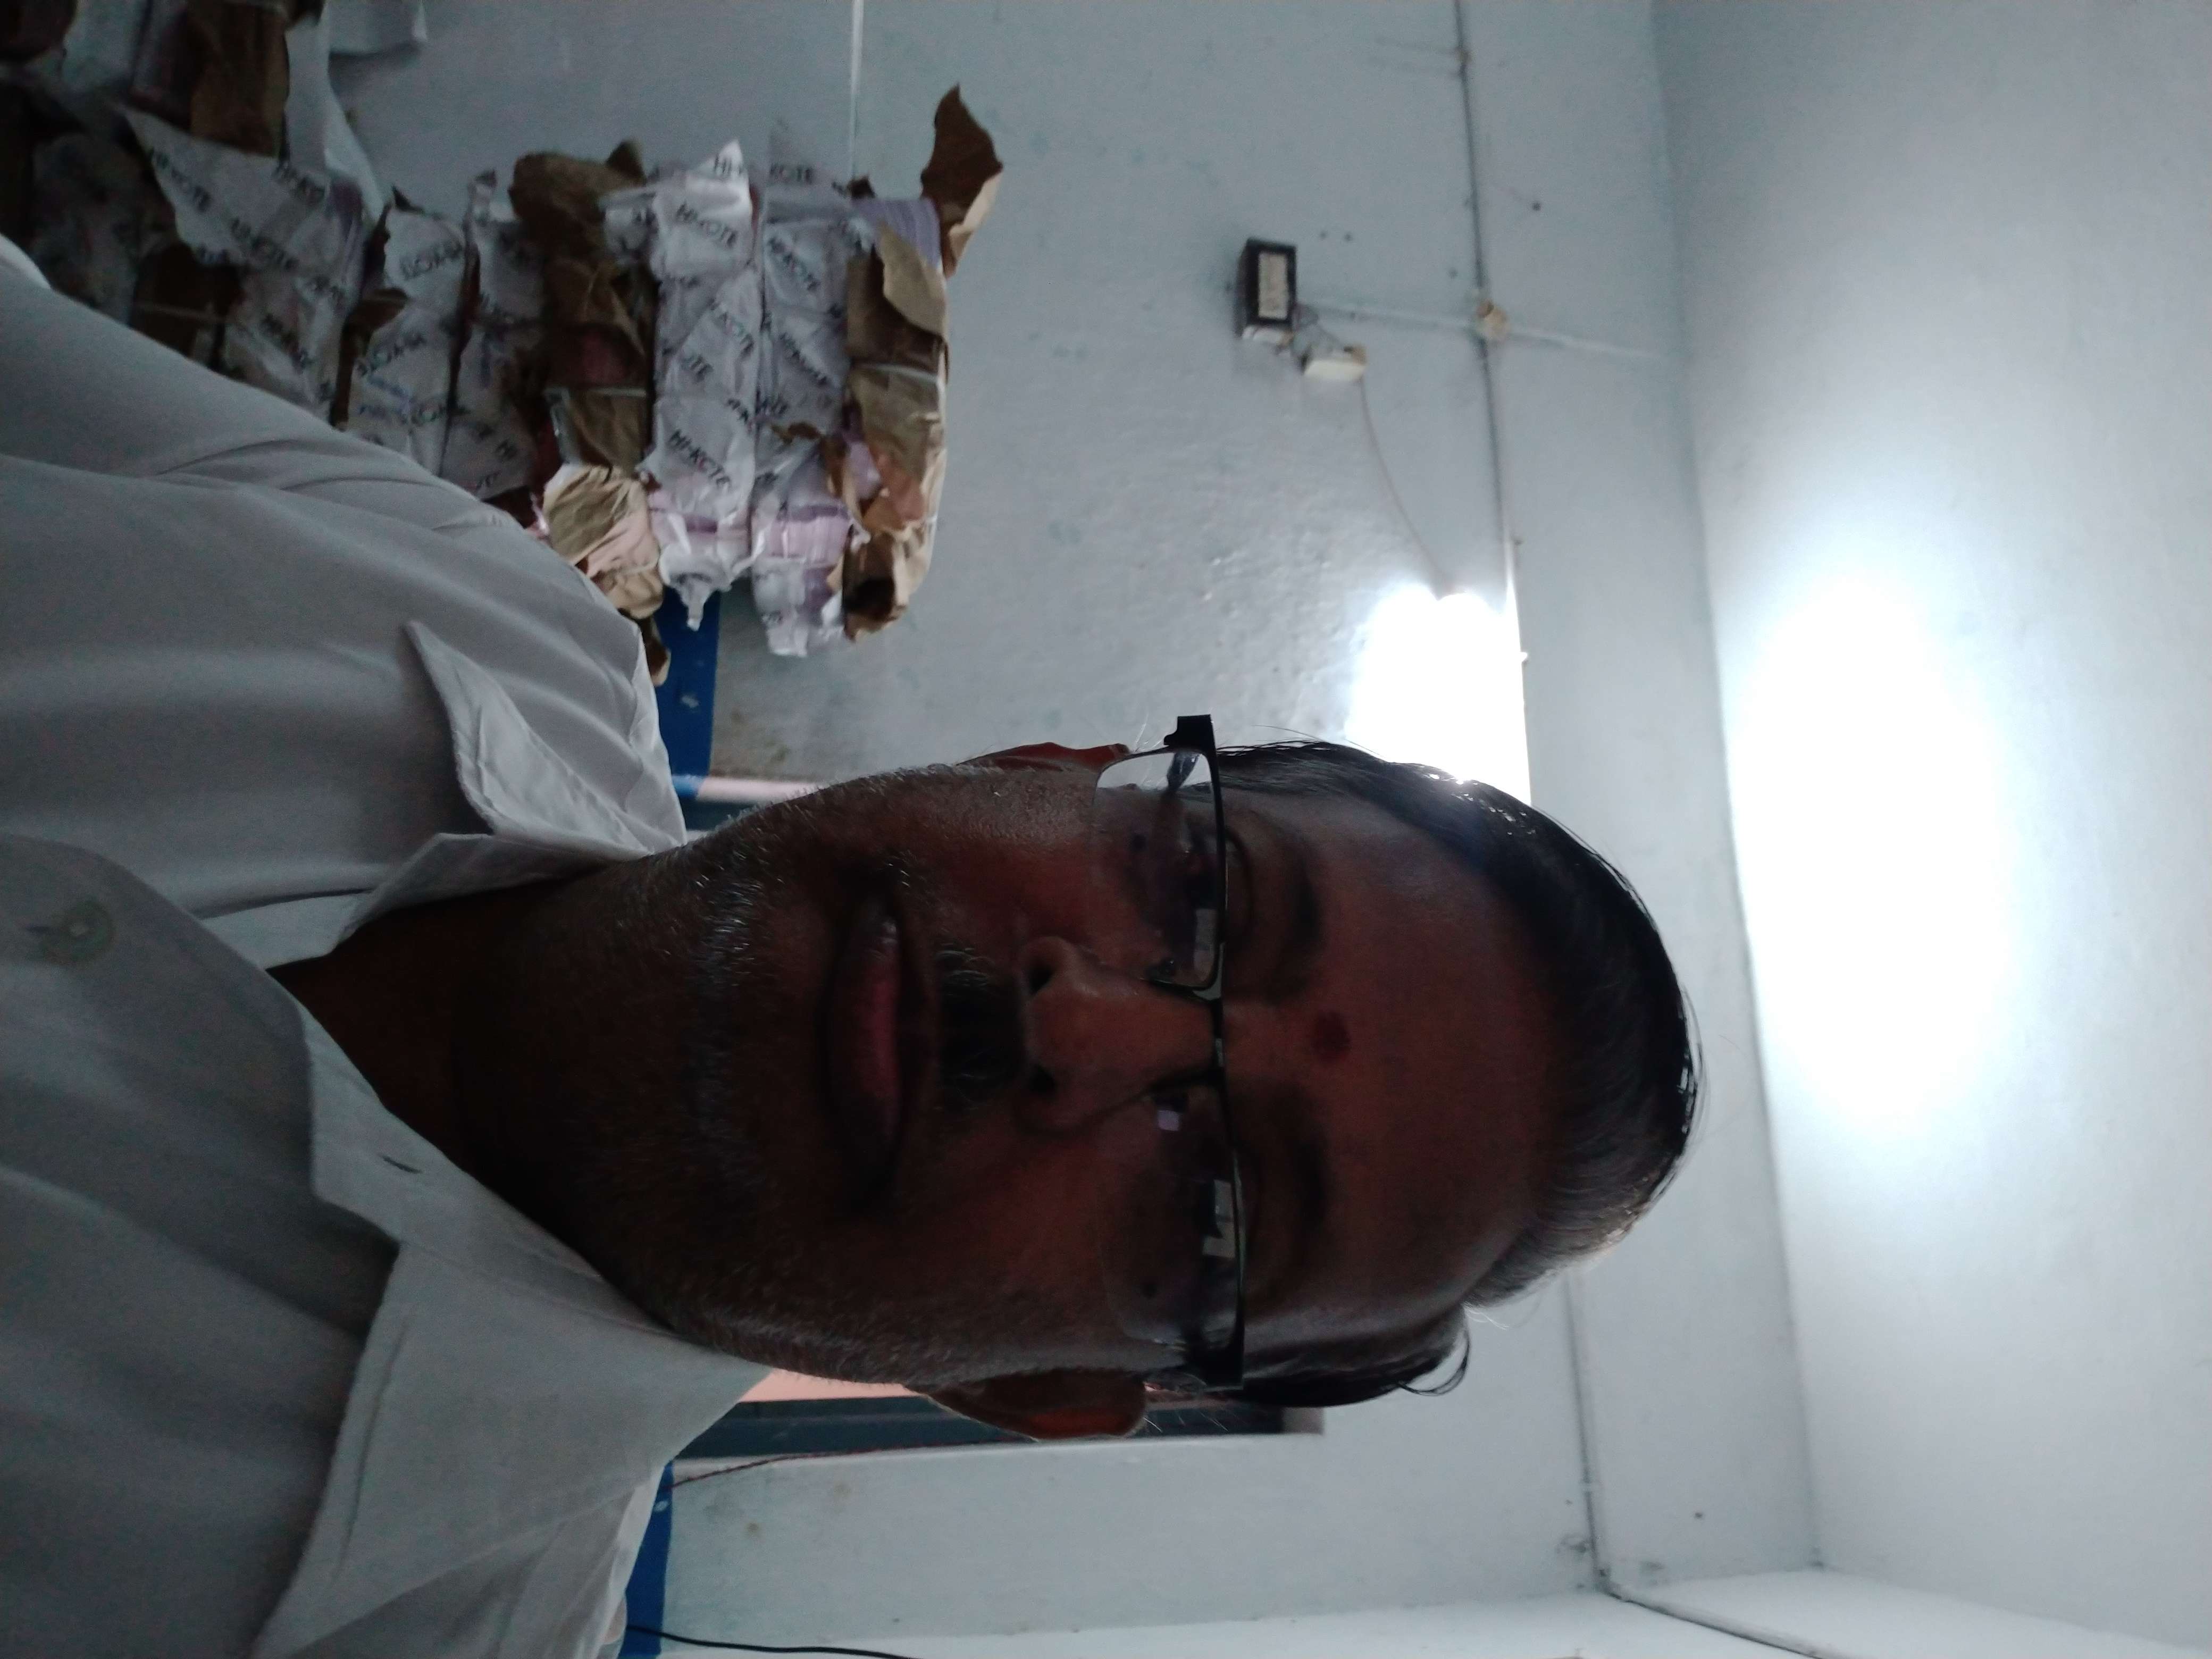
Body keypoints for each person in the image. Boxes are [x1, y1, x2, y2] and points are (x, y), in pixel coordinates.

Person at [0, 246, 1695, 1657]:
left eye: (1221, 1205)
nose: (1082, 1028)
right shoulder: (473, 612)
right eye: (1200, 891)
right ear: (1039, 766)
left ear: (1042, 1392)